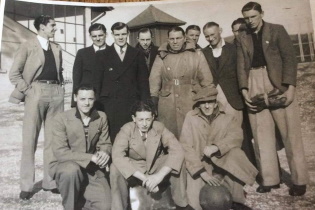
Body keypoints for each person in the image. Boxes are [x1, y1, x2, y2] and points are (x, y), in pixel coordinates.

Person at [236, 1, 309, 195]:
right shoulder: (242, 37)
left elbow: (289, 59)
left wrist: (291, 88)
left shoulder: (277, 30)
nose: (250, 21)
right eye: (246, 18)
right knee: (261, 136)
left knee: (290, 134)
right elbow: (241, 65)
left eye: (253, 16)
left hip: (277, 83)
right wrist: (244, 90)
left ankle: (299, 180)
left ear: (261, 14)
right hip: (253, 81)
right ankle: (270, 179)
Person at [9, 15, 64, 200]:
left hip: (56, 93)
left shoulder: (57, 47)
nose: (55, 28)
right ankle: (26, 186)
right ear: (42, 27)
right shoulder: (27, 45)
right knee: (30, 140)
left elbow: (59, 71)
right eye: (52, 26)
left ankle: (50, 182)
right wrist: (28, 90)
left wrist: (60, 87)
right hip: (36, 92)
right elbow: (14, 73)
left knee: (53, 140)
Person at [180, 86, 258, 210]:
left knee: (235, 154)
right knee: (194, 204)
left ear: (215, 103)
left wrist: (216, 147)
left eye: (210, 102)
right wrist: (202, 173)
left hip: (222, 162)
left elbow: (236, 136)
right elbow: (186, 146)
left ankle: (237, 200)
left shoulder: (227, 117)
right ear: (198, 105)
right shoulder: (190, 117)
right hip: (200, 164)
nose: (206, 106)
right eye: (203, 103)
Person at [110, 100, 190, 210]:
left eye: (148, 119)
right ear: (134, 118)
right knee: (115, 168)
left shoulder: (159, 127)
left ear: (153, 117)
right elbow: (117, 156)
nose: (144, 124)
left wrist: (159, 176)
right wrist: (146, 179)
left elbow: (178, 150)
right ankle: (119, 208)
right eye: (140, 120)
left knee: (178, 161)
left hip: (156, 167)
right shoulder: (126, 129)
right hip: (136, 169)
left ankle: (181, 204)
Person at [49, 85, 112, 210]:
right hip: (67, 166)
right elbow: (61, 152)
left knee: (106, 206)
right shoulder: (61, 118)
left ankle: (81, 199)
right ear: (75, 97)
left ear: (95, 99)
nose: (87, 103)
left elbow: (105, 143)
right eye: (82, 99)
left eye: (90, 99)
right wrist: (91, 157)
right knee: (71, 171)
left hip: (91, 169)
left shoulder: (101, 117)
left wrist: (105, 152)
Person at [149, 26, 214, 138]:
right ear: (168, 40)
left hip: (191, 101)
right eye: (172, 39)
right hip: (168, 104)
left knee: (193, 135)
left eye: (178, 38)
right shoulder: (161, 56)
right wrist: (154, 101)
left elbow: (207, 81)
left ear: (184, 38)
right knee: (169, 137)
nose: (175, 42)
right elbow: (154, 81)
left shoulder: (196, 54)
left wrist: (210, 102)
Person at [96, 22, 150, 142]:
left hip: (131, 103)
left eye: (123, 34)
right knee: (111, 136)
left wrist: (144, 105)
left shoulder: (137, 54)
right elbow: (97, 82)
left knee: (131, 136)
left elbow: (143, 83)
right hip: (110, 104)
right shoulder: (102, 55)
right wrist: (98, 104)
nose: (120, 37)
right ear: (112, 35)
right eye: (117, 34)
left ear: (128, 34)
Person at [71, 23, 108, 109]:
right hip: (88, 99)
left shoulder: (113, 52)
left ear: (106, 34)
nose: (98, 39)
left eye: (100, 35)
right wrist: (75, 101)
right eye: (94, 36)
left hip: (107, 99)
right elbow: (76, 78)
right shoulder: (82, 53)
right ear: (90, 36)